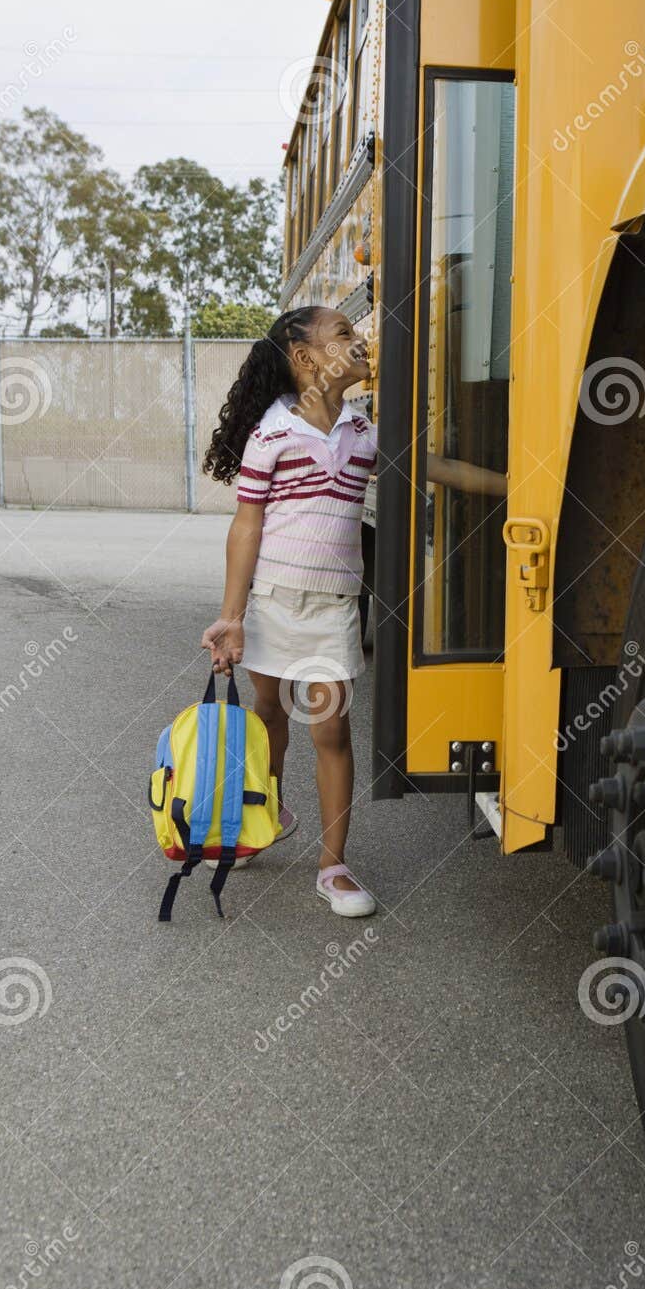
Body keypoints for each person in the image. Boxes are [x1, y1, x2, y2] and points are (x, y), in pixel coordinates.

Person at [201, 305, 378, 917]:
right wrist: (233, 616)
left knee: (330, 725)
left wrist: (513, 483)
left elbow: (425, 470)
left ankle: (334, 865)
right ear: (305, 359)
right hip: (273, 601)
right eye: (345, 335)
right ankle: (266, 818)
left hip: (333, 607)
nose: (360, 342)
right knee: (269, 711)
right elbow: (246, 526)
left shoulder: (363, 430)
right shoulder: (272, 434)